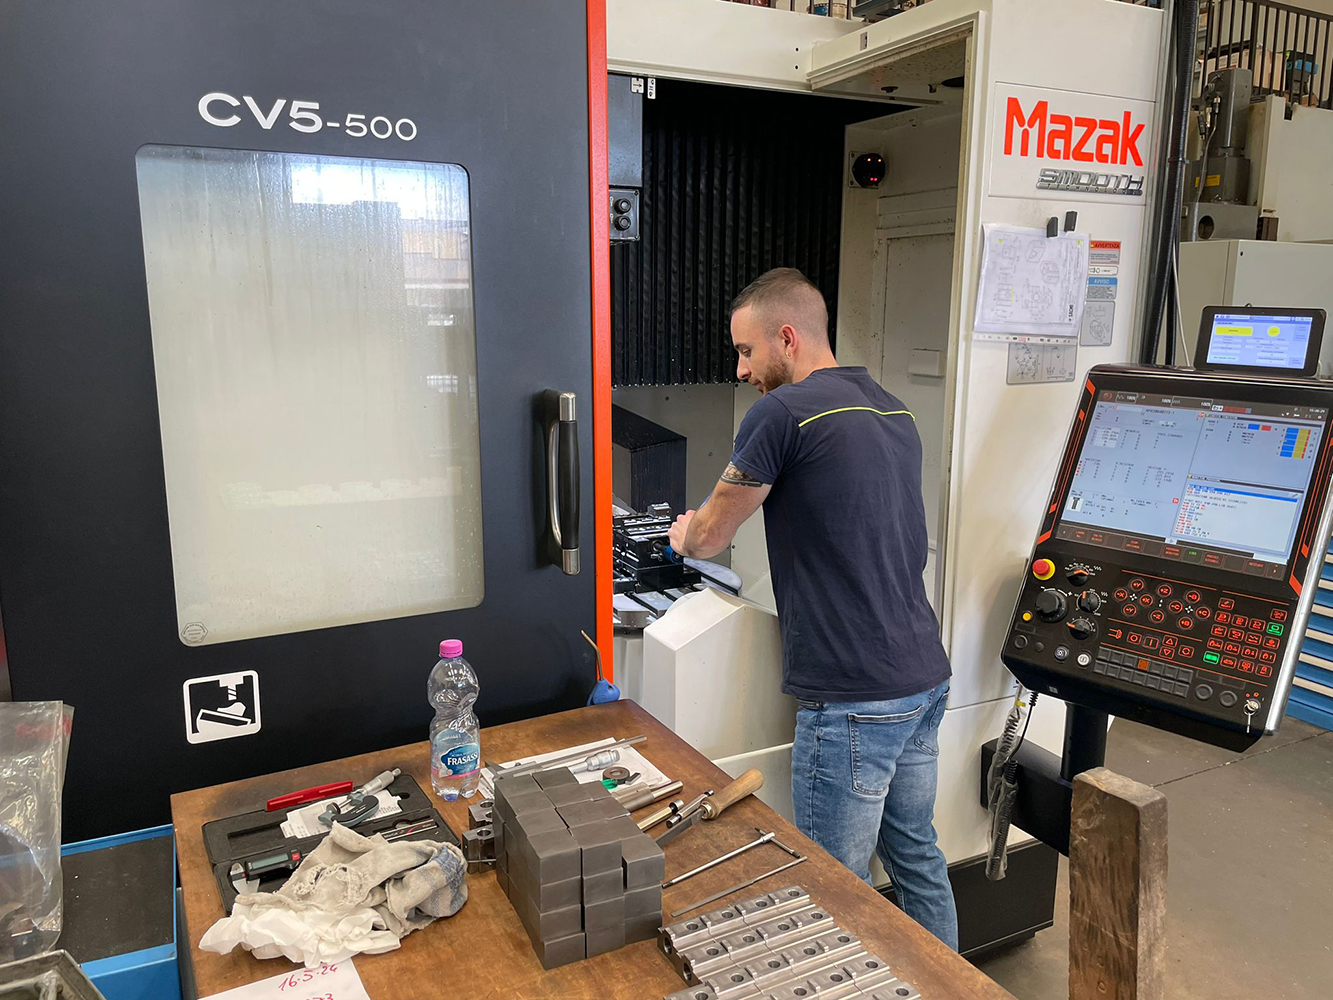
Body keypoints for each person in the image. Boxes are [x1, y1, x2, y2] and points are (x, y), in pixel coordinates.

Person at [666, 267, 958, 949]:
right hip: (922, 678)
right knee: (917, 856)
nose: (740, 370)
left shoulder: (781, 413)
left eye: (746, 351)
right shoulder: (891, 408)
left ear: (787, 337)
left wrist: (683, 535)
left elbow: (710, 535)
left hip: (853, 695)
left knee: (831, 883)